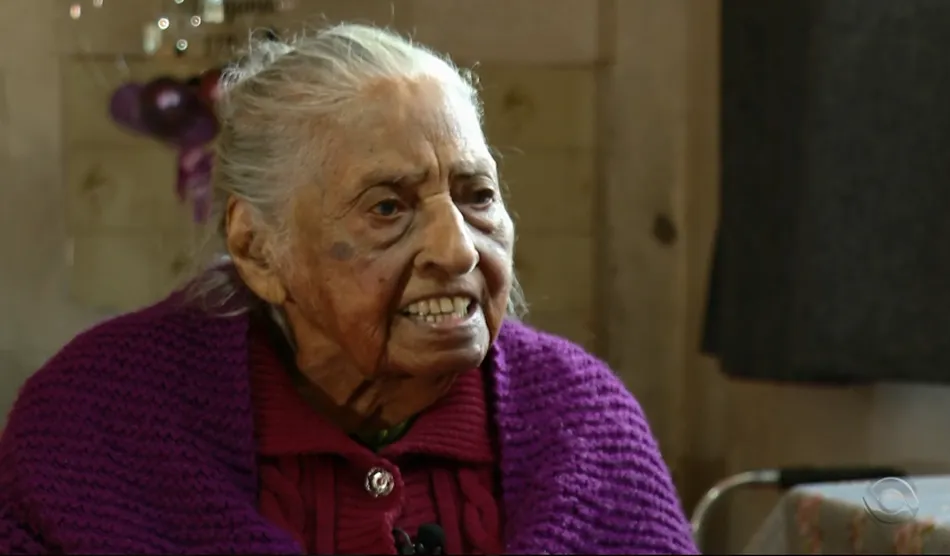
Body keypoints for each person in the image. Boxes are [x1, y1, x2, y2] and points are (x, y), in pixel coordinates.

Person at [0, 24, 698, 555]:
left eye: (477, 196)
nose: (458, 248)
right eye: (388, 207)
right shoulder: (95, 422)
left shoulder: (585, 424)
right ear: (257, 248)